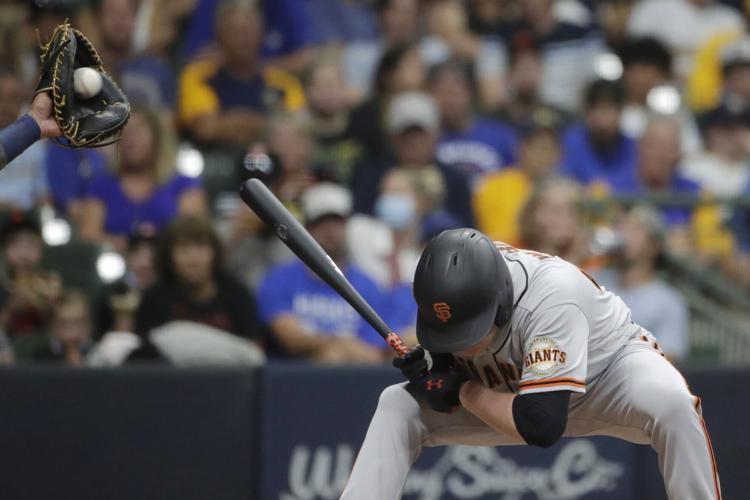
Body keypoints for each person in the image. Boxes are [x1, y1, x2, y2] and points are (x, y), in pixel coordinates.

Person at [341, 228, 720, 500]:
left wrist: (463, 390)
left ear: (500, 297)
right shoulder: (450, 288)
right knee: (398, 403)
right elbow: (445, 362)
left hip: (607, 374)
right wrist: (432, 370)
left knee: (672, 404)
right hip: (512, 390)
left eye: (471, 330)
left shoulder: (552, 295)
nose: (465, 343)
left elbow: (540, 425)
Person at [257, 182, 386, 363]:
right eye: (321, 223)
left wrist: (332, 348)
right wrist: (337, 346)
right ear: (305, 228)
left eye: (337, 223)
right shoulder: (279, 279)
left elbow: (374, 352)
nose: (330, 231)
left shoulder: (366, 284)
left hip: (355, 377)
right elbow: (291, 340)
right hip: (294, 379)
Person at [177, 0, 304, 148]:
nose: (242, 39)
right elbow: (206, 129)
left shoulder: (284, 83)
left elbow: (295, 131)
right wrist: (267, 125)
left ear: (261, 34)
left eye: (247, 31)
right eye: (234, 31)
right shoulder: (198, 76)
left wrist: (228, 122)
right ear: (219, 35)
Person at [80, 107, 207, 251]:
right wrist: (124, 245)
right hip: (117, 265)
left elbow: (194, 237)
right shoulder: (101, 186)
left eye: (138, 131)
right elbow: (88, 237)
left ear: (157, 139)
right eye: (124, 132)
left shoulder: (184, 185)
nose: (130, 139)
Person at [135, 215, 261, 343]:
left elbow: (253, 350)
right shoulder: (154, 300)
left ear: (215, 252)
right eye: (184, 249)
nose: (193, 259)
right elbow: (144, 357)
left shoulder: (237, 295)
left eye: (201, 247)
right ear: (169, 257)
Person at [596, 206, 690, 361]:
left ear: (654, 245)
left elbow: (666, 364)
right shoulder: (594, 282)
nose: (624, 234)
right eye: (621, 227)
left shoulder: (668, 302)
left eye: (635, 230)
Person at [473, 111, 563, 245]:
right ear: (520, 148)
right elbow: (497, 242)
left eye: (551, 148)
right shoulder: (494, 187)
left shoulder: (567, 191)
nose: (545, 156)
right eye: (539, 147)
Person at [430, 59, 517, 188]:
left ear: (469, 93)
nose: (448, 100)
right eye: (442, 93)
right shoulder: (426, 139)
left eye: (454, 93)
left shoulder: (501, 137)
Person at [560, 79, 638, 191]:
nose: (604, 120)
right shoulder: (569, 144)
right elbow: (562, 181)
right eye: (600, 109)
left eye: (610, 109)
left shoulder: (634, 148)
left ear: (621, 111)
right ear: (587, 111)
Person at [0, 68, 50, 210]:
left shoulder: (36, 136)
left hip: (29, 219)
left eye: (13, 98)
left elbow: (43, 192)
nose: (5, 106)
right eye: (0, 98)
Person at [30, 290, 92, 366]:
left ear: (88, 325)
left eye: (78, 323)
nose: (72, 332)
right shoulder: (40, 357)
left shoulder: (98, 354)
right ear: (53, 327)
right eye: (64, 324)